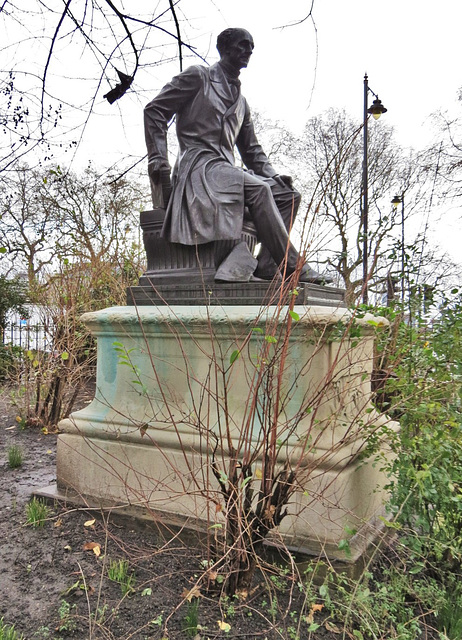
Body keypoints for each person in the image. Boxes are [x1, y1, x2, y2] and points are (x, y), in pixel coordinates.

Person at [144, 27, 329, 284]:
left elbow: (252, 150)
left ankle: (267, 264)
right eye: (243, 45)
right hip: (198, 167)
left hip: (225, 171)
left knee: (288, 195)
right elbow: (154, 110)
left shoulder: (241, 103)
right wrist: (157, 157)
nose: (249, 51)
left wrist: (274, 176)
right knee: (259, 189)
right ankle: (293, 266)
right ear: (225, 48)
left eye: (251, 46)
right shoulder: (199, 77)